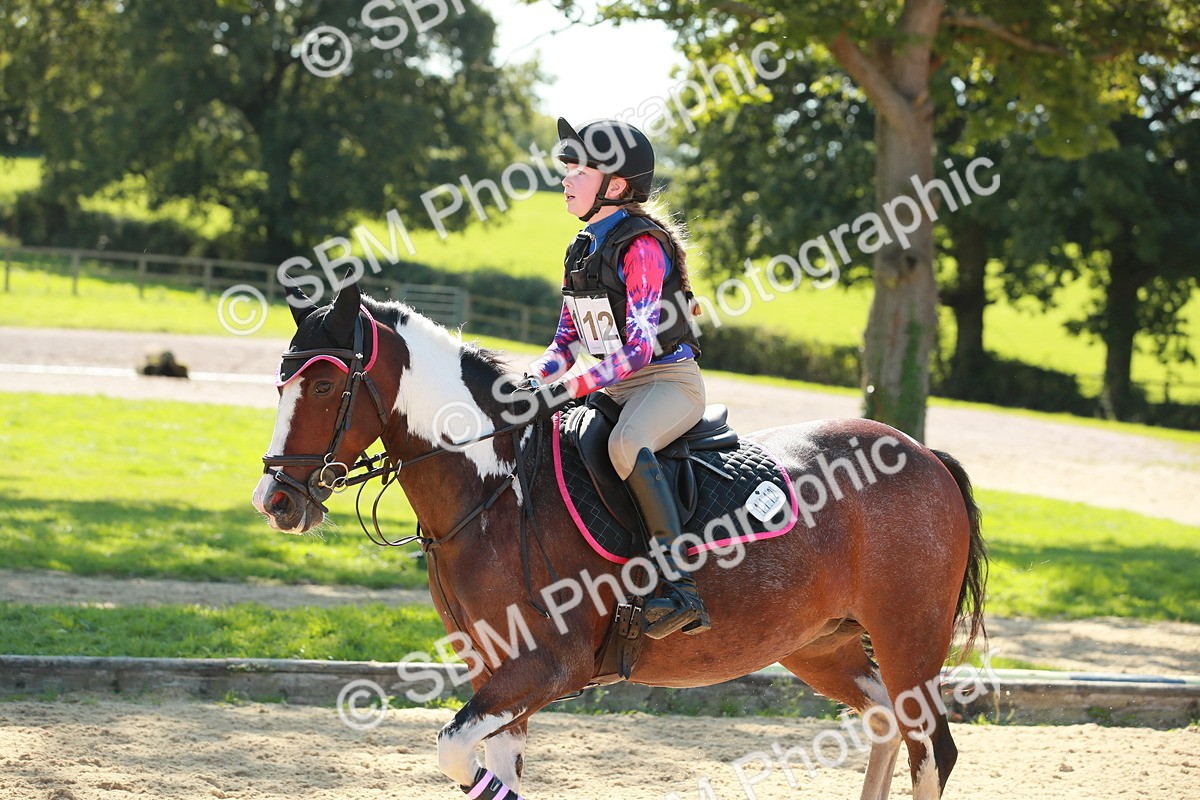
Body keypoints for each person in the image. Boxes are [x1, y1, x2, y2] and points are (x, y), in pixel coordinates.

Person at [518, 117, 709, 639]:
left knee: (626, 443)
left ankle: (679, 585)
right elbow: (565, 343)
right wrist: (529, 380)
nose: (566, 178)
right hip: (612, 385)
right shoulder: (581, 247)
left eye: (578, 169)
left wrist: (572, 387)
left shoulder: (641, 248)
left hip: (668, 384)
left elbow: (640, 348)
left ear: (616, 186)